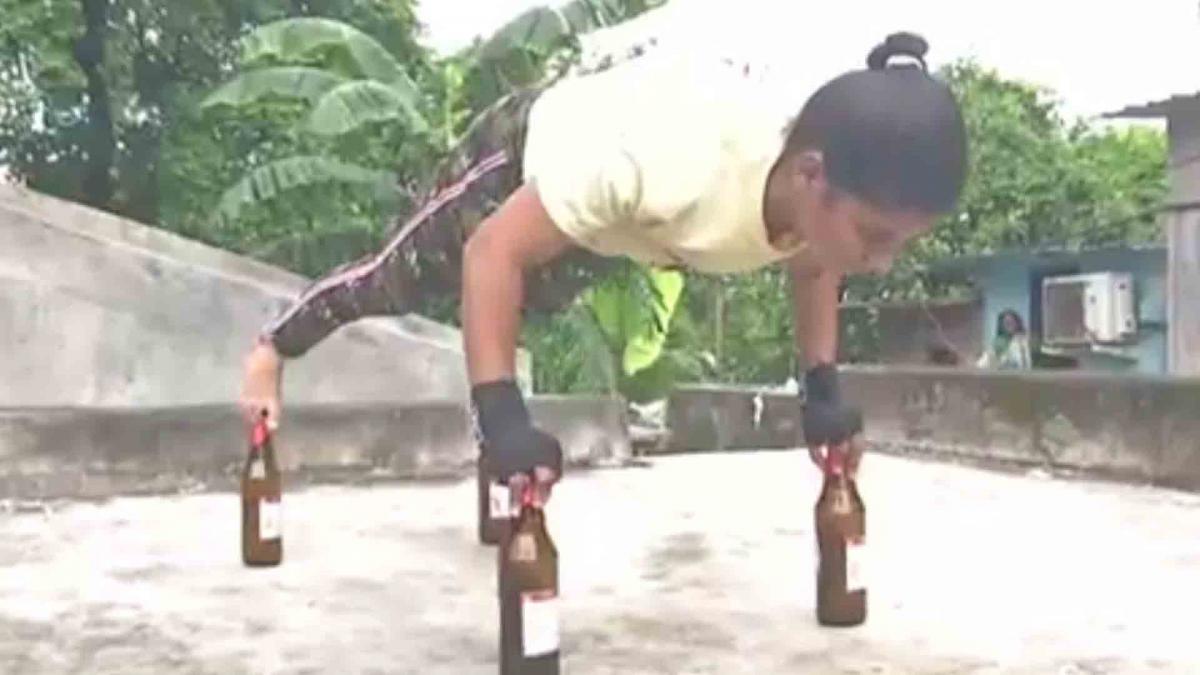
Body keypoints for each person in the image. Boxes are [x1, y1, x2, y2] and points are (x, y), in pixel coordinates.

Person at [238, 32, 969, 503]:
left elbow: (813, 268)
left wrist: (821, 391)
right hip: (531, 152)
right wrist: (500, 414)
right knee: (396, 275)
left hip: (618, 223)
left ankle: (497, 455)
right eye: (874, 238)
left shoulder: (820, 197)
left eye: (898, 244)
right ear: (810, 176)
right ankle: (273, 348)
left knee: (523, 312)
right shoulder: (670, 159)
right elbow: (492, 251)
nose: (878, 265)